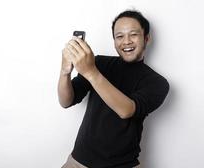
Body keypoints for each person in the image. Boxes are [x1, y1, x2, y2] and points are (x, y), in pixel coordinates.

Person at [58, 10, 169, 168]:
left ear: (146, 38)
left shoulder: (157, 83)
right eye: (119, 36)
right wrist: (65, 72)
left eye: (133, 34)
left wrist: (91, 72)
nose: (126, 41)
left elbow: (126, 110)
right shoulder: (99, 63)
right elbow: (66, 101)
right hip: (78, 162)